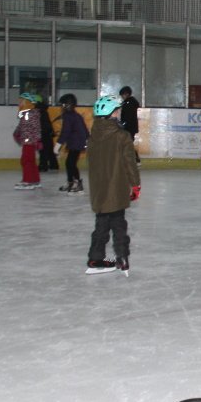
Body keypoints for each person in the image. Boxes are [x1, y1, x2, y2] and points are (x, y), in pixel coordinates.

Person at [84, 94, 141, 275]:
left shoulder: (93, 135)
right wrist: (136, 185)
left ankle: (95, 258)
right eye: (118, 110)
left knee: (101, 223)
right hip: (116, 188)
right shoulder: (122, 136)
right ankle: (122, 258)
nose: (119, 113)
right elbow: (130, 163)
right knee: (118, 224)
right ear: (114, 113)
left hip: (99, 189)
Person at [56, 93, 89, 194]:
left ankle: (78, 183)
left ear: (68, 105)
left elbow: (65, 131)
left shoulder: (69, 116)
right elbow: (85, 129)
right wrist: (87, 138)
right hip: (76, 142)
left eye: (63, 104)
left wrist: (58, 144)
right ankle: (71, 182)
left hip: (76, 143)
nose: (62, 107)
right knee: (69, 163)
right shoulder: (75, 115)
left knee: (71, 163)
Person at [13, 91, 43, 190]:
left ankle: (28, 180)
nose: (20, 103)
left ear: (27, 102)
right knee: (30, 161)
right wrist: (16, 133)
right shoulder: (25, 114)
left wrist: (38, 140)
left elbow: (36, 128)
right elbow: (22, 126)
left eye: (22, 101)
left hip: (29, 141)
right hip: (27, 141)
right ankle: (35, 180)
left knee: (27, 161)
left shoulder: (30, 114)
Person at [118, 85, 141, 165]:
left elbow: (128, 116)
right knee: (127, 143)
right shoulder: (127, 102)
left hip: (129, 127)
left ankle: (136, 159)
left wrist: (123, 124)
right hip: (129, 127)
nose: (122, 97)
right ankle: (133, 159)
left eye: (122, 95)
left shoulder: (129, 103)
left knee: (127, 144)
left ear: (127, 94)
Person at [36, 96, 59, 173]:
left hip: (43, 133)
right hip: (48, 133)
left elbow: (42, 124)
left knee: (43, 150)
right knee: (49, 150)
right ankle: (53, 164)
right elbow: (47, 123)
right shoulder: (44, 111)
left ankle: (43, 165)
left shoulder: (39, 111)